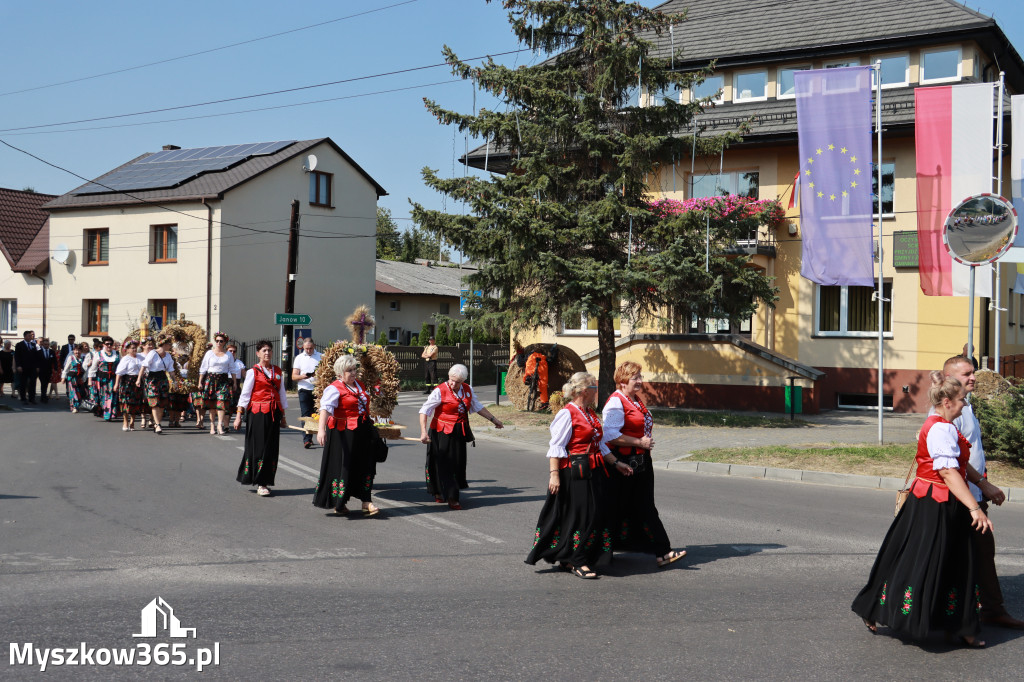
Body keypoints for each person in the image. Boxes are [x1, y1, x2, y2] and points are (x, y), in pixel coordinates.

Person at [852, 374, 993, 647]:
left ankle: (962, 624)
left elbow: (960, 465)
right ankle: (873, 608)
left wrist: (984, 485)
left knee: (958, 562)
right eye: (962, 400)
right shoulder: (940, 429)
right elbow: (947, 472)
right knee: (916, 560)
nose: (965, 404)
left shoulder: (946, 425)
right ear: (947, 401)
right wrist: (975, 507)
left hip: (949, 504)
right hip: (932, 506)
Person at [935, 355, 1024, 629]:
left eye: (972, 372)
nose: (973, 377)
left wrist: (983, 487)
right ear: (949, 378)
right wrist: (978, 495)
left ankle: (989, 608)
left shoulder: (965, 405)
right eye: (966, 374)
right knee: (942, 555)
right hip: (958, 499)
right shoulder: (947, 411)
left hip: (972, 494)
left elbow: (965, 455)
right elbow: (950, 464)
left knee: (981, 553)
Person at [525, 371, 620, 579]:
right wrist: (554, 475)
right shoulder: (567, 413)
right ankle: (578, 561)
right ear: (585, 391)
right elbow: (556, 446)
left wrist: (616, 463)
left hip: (594, 470)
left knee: (595, 513)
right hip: (574, 472)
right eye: (595, 387)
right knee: (583, 514)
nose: (597, 391)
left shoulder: (590, 413)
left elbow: (600, 444)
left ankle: (571, 558)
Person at [602, 361, 686, 568]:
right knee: (632, 507)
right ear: (622, 381)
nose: (640, 381)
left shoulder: (634, 400)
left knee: (639, 506)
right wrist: (639, 442)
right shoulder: (615, 402)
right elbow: (609, 435)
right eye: (635, 377)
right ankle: (662, 551)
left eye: (640, 376)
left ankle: (658, 551)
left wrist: (642, 445)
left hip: (640, 460)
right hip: (624, 462)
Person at [418, 363, 504, 509]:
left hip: (459, 431)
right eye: (451, 380)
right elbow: (425, 410)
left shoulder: (467, 389)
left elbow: (477, 407)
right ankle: (449, 496)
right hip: (441, 431)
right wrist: (423, 431)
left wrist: (494, 420)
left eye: (457, 381)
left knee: (457, 463)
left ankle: (447, 492)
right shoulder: (440, 390)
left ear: (463, 381)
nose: (453, 383)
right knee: (442, 462)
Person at [312, 354, 380, 516]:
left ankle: (366, 501)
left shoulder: (360, 385)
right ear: (340, 373)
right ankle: (340, 503)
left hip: (362, 431)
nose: (353, 373)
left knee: (366, 465)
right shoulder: (334, 388)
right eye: (349, 370)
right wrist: (321, 430)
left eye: (354, 369)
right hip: (343, 433)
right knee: (345, 467)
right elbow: (325, 409)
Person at [234, 340, 287, 497]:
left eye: (269, 350)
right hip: (257, 413)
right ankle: (260, 482)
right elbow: (245, 395)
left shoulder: (277, 371)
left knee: (271, 448)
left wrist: (283, 416)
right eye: (264, 350)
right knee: (259, 447)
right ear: (258, 353)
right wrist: (238, 416)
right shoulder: (253, 372)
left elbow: (282, 394)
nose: (267, 353)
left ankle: (265, 480)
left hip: (273, 413)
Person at [199, 332, 236, 435]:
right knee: (212, 404)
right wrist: (200, 382)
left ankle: (219, 424)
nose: (219, 343)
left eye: (221, 341)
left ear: (224, 342)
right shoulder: (209, 353)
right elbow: (203, 368)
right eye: (217, 341)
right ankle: (212, 425)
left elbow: (232, 369)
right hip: (211, 379)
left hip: (223, 380)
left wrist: (235, 383)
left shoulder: (228, 354)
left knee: (222, 402)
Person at [137, 336, 175, 434]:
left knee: (162, 403)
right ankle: (157, 424)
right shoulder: (153, 353)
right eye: (169, 344)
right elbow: (144, 366)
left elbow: (171, 370)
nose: (171, 346)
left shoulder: (168, 356)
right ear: (164, 344)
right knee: (154, 401)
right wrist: (138, 379)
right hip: (152, 379)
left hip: (163, 379)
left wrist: (174, 381)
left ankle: (157, 422)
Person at [291, 338, 322, 449]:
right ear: (303, 348)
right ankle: (307, 439)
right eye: (306, 349)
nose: (308, 351)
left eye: (310, 348)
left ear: (314, 346)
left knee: (318, 414)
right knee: (305, 414)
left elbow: (327, 373)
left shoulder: (321, 356)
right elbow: (294, 376)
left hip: (317, 389)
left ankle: (319, 436)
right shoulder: (299, 358)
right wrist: (303, 376)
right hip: (304, 388)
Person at [114, 340, 146, 430]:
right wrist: (116, 384)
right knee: (126, 402)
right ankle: (125, 421)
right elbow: (119, 372)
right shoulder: (125, 359)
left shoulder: (140, 357)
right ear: (127, 350)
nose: (134, 349)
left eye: (135, 348)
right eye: (132, 348)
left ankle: (132, 422)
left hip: (138, 381)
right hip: (127, 381)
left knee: (135, 403)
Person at [93, 336, 121, 421]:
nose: (109, 346)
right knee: (104, 396)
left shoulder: (116, 354)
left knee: (112, 396)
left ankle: (111, 413)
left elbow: (120, 367)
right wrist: (90, 380)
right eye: (107, 344)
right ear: (103, 344)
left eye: (110, 344)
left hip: (113, 379)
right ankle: (105, 413)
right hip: (102, 379)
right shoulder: (98, 354)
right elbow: (93, 368)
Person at [13, 330, 40, 404]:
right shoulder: (19, 345)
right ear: (24, 336)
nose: (30, 337)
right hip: (23, 367)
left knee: (32, 383)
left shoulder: (33, 345)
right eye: (29, 336)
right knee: (23, 383)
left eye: (31, 336)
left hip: (32, 367)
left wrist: (37, 366)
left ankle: (32, 398)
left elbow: (36, 356)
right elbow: (17, 356)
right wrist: (18, 366)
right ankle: (23, 398)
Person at [61, 343, 88, 413]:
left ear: (81, 351)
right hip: (72, 377)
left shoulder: (83, 359)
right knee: (73, 393)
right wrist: (63, 377)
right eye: (75, 350)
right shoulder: (71, 358)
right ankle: (74, 407)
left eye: (79, 350)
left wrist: (84, 378)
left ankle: (77, 405)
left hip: (79, 378)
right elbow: (66, 368)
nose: (77, 352)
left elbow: (85, 370)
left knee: (80, 392)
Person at [226, 342, 245, 431]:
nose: (232, 353)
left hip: (236, 385)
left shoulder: (239, 363)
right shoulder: (224, 361)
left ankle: (233, 422)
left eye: (234, 351)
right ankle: (225, 425)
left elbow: (244, 375)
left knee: (235, 405)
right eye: (230, 351)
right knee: (226, 405)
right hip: (226, 384)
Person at [85, 338, 103, 403]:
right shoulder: (90, 354)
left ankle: (99, 404)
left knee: (100, 392)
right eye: (100, 347)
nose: (102, 348)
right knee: (93, 392)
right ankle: (93, 404)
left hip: (100, 376)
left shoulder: (103, 354)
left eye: (102, 347)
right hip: (93, 376)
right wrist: (89, 363)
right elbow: (84, 365)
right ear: (95, 347)